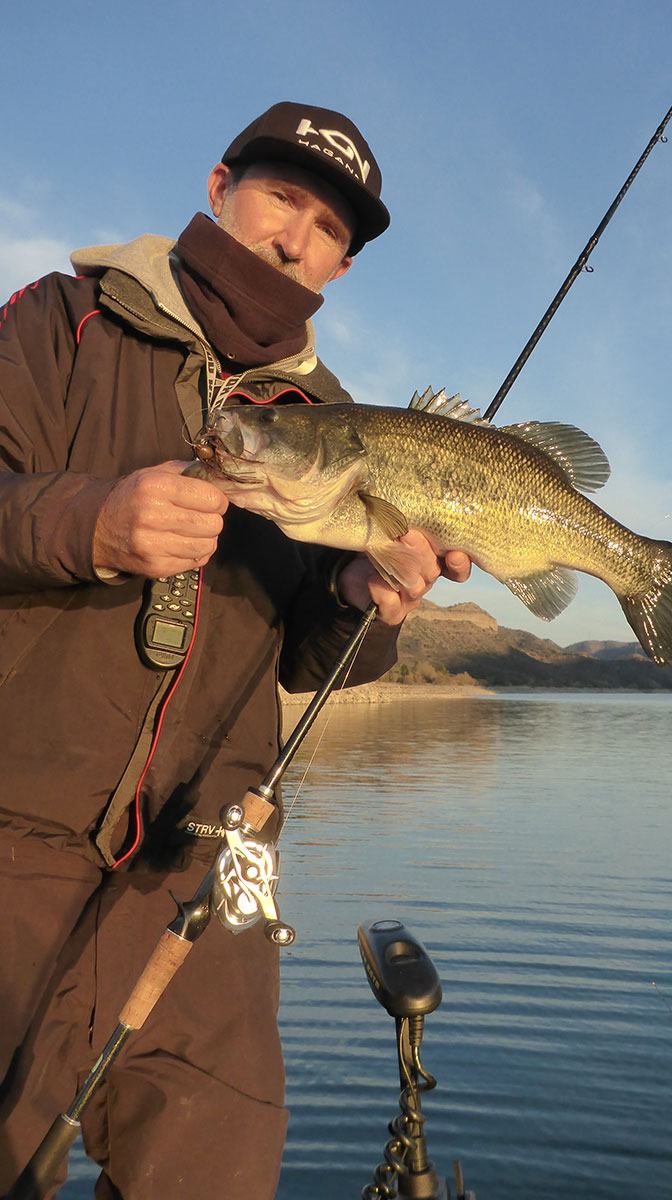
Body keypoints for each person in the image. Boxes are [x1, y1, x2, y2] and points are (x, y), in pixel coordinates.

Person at [0, 101, 470, 1199]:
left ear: (342, 269)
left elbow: (314, 658)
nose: (296, 236)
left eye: (328, 230)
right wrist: (91, 522)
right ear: (219, 188)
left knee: (213, 1166)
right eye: (282, 198)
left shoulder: (333, 421)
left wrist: (367, 602)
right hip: (16, 841)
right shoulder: (60, 323)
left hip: (206, 871)